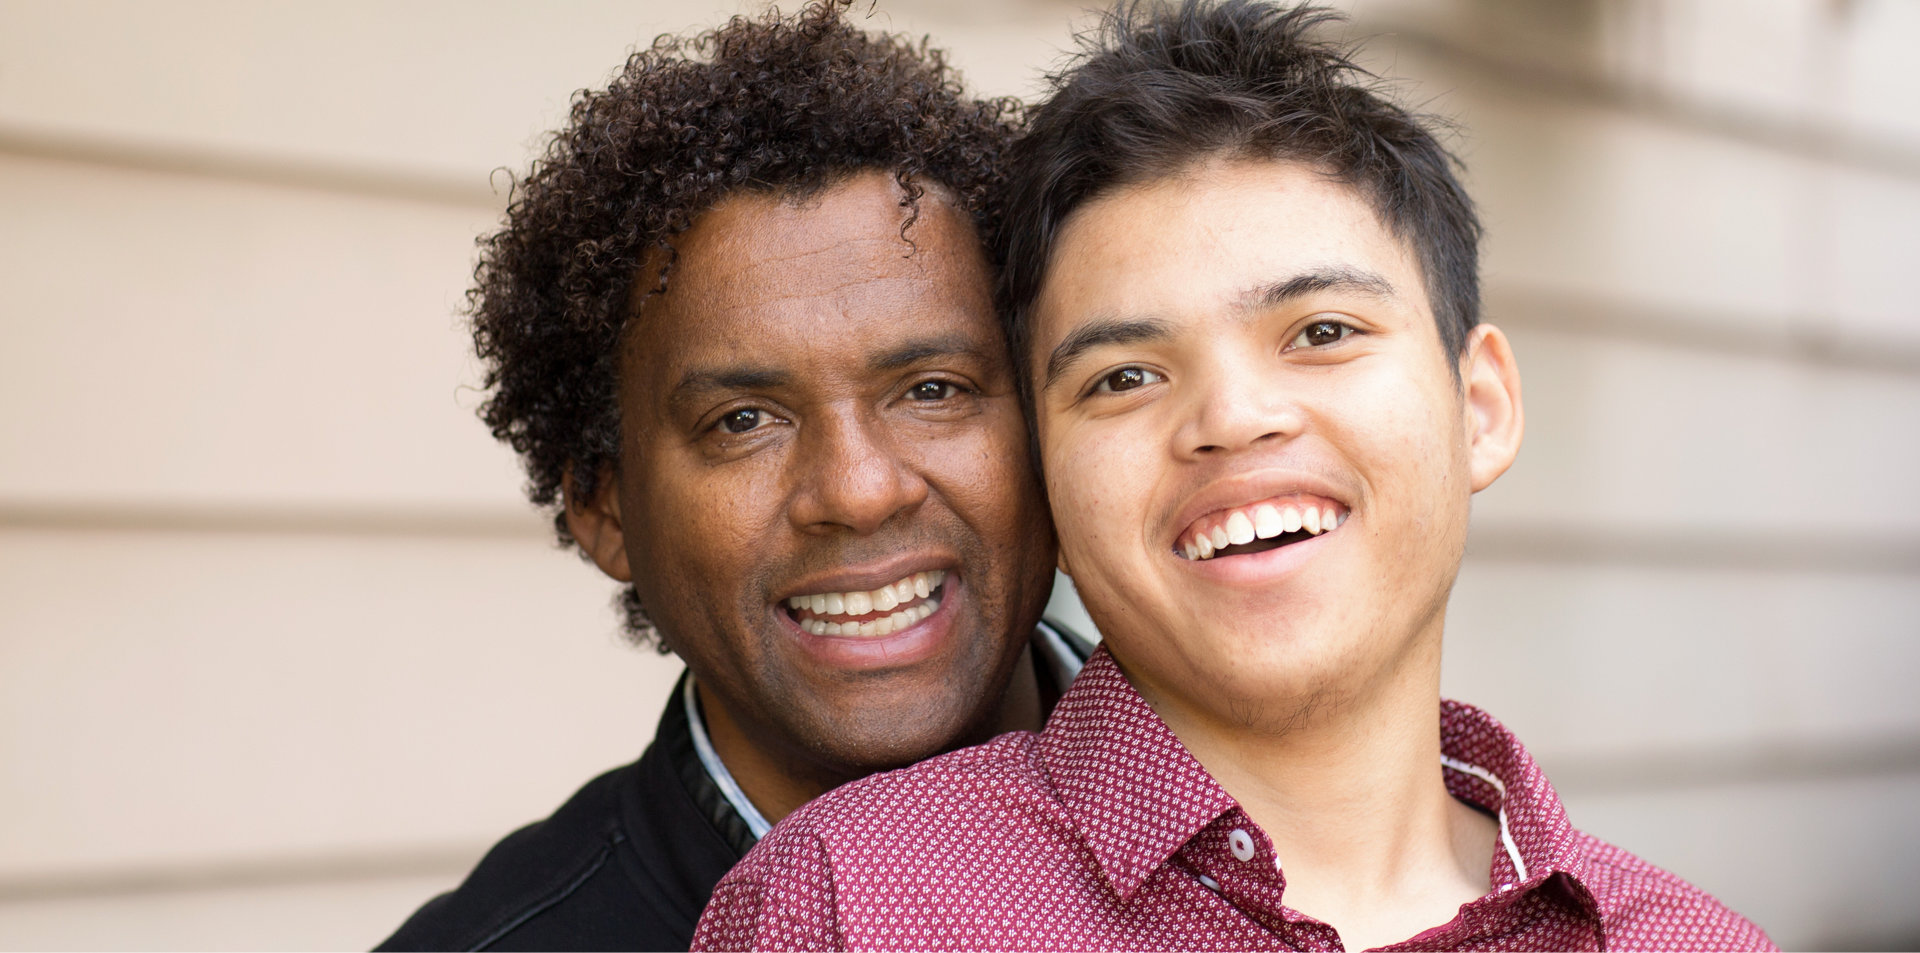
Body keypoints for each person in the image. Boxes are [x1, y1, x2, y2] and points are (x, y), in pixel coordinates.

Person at [693, 2, 1774, 950]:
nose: (1231, 417)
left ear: (1479, 405)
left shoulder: (1692, 939)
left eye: (1321, 329)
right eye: (1123, 376)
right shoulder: (851, 907)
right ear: (1047, 481)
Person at [376, 4, 1086, 950]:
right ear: (603, 507)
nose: (860, 489)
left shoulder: (1293, 799)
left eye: (931, 389)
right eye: (743, 421)